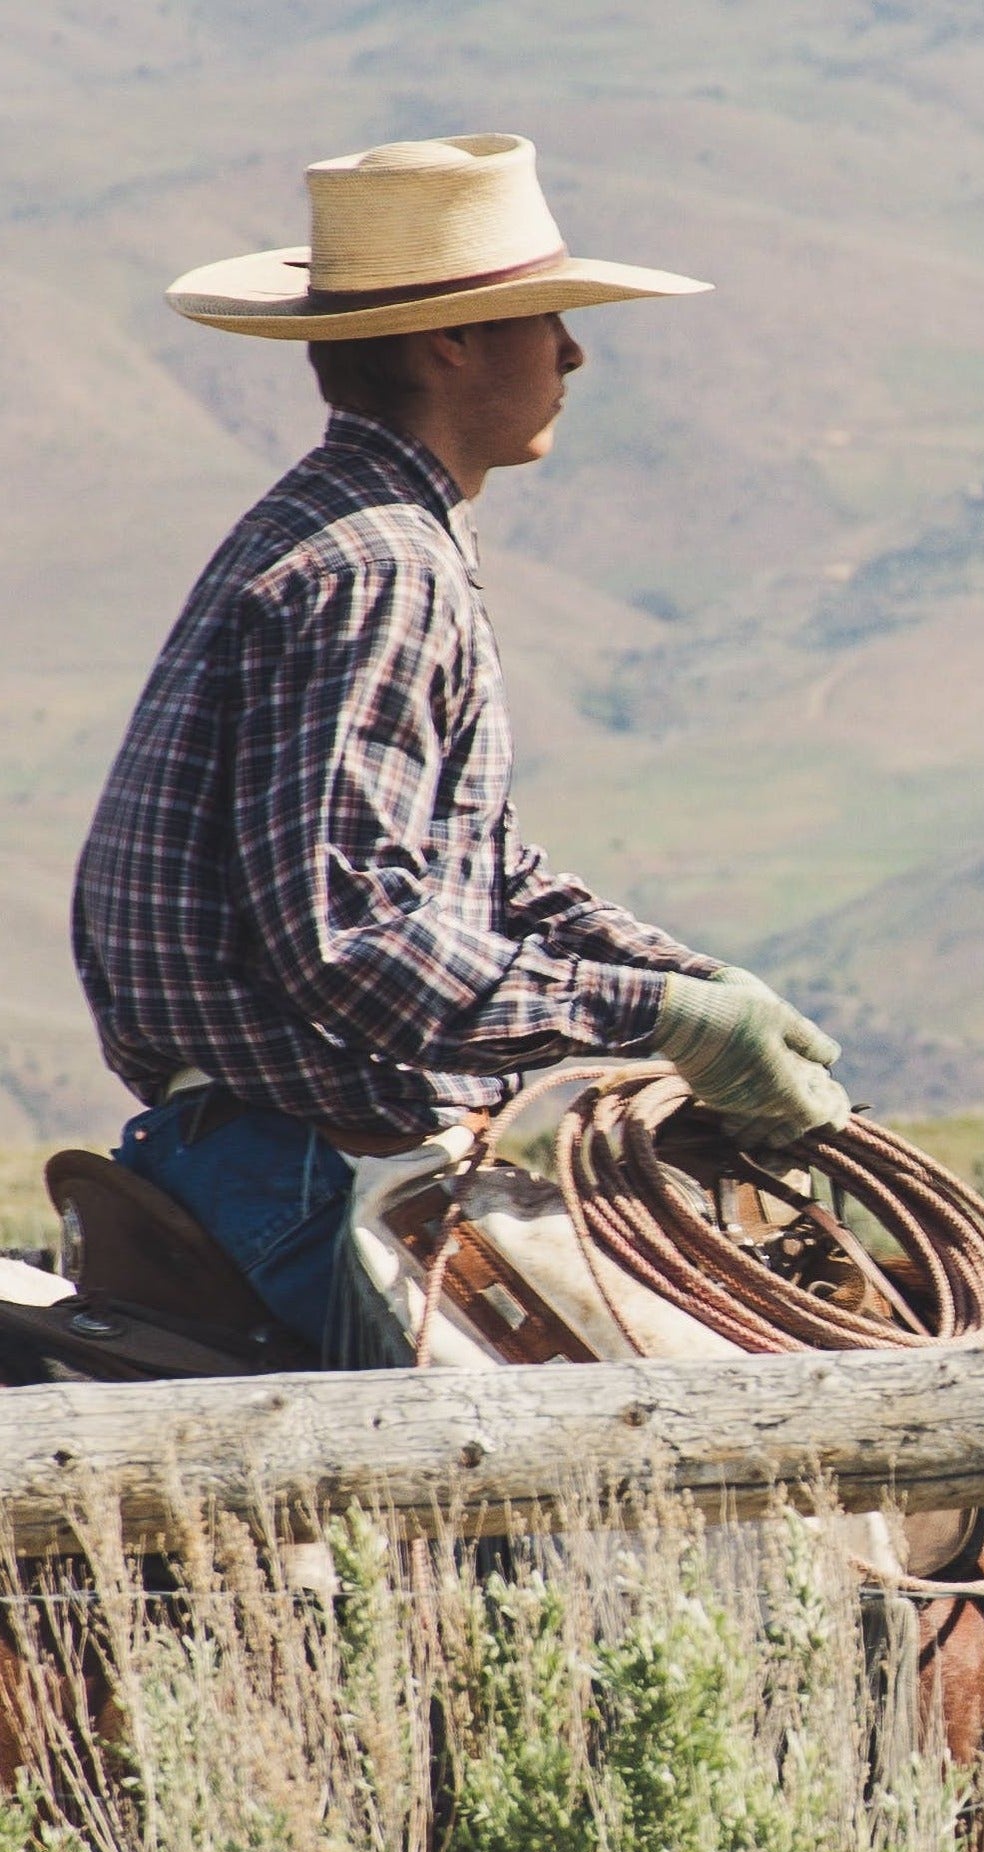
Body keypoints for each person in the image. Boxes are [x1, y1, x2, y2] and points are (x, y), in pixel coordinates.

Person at [72, 132, 849, 1354]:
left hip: (265, 1150)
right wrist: (656, 1022)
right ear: (452, 341)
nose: (575, 352)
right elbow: (350, 937)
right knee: (646, 1467)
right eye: (547, 318)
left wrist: (691, 988)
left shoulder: (339, 529)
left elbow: (477, 870)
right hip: (313, 1167)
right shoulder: (380, 564)